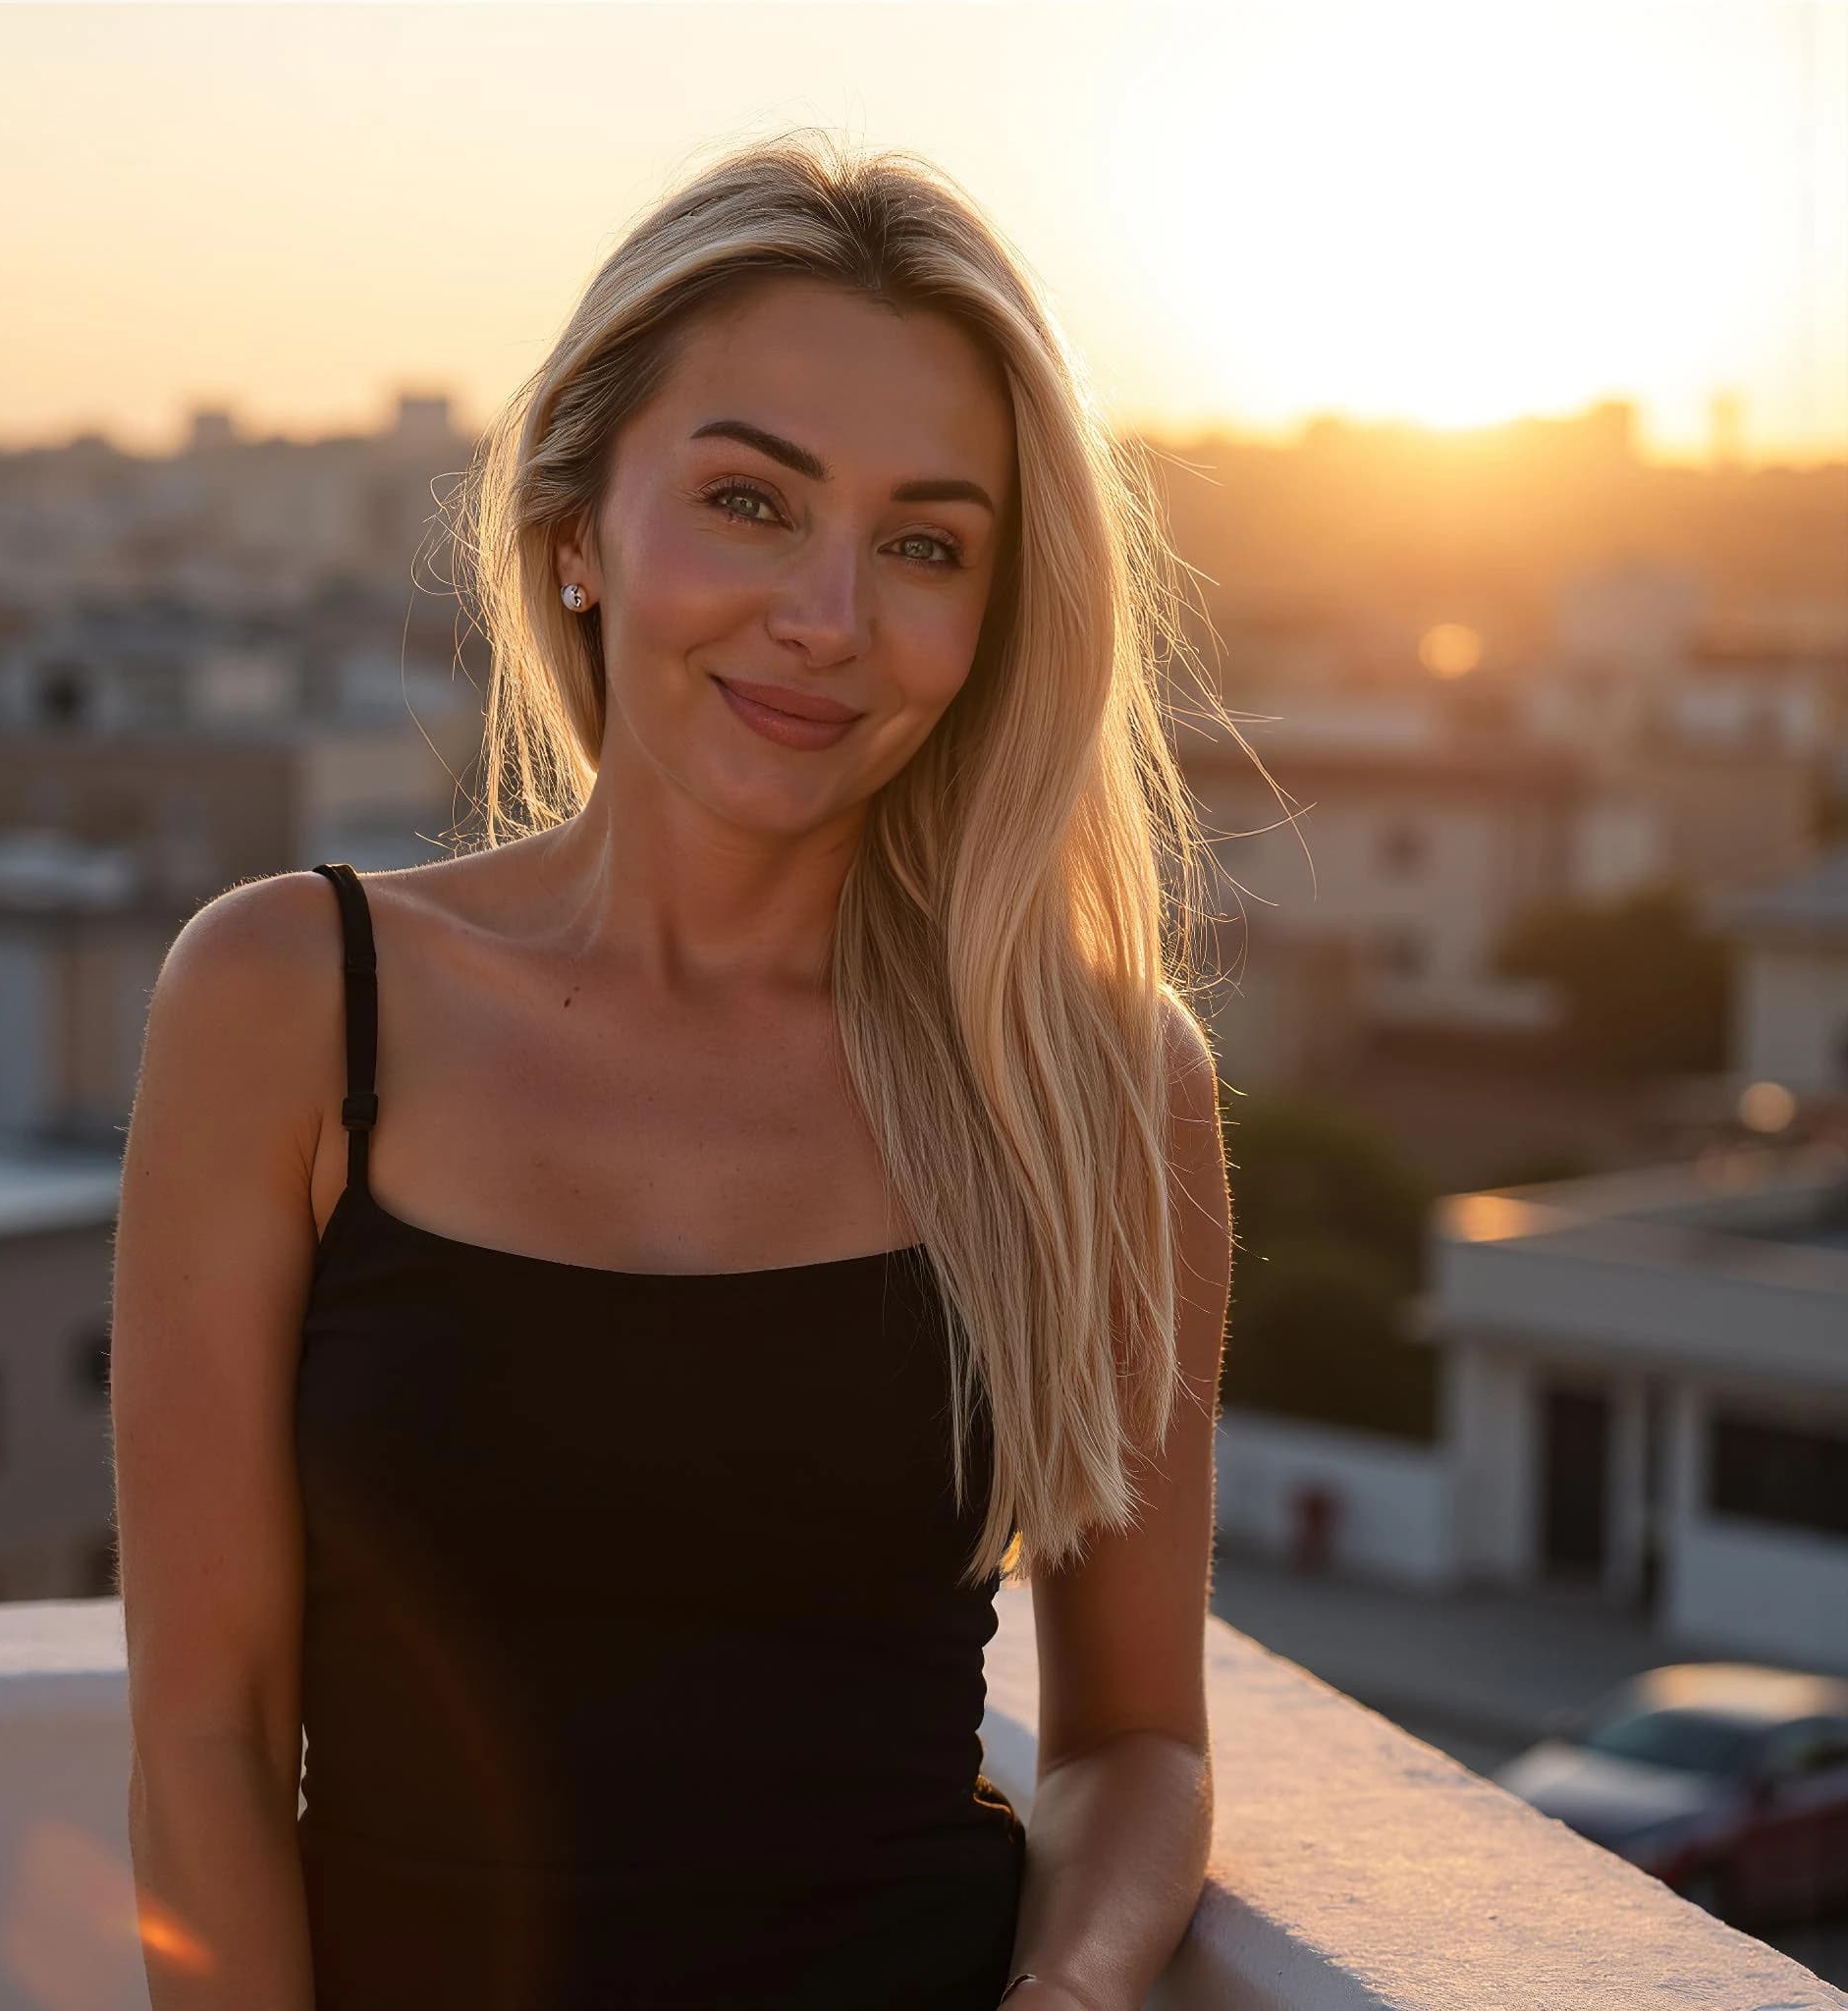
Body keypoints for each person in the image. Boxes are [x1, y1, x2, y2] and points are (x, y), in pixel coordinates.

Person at [112, 130, 1235, 2011]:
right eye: (747, 501)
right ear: (575, 532)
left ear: (992, 622)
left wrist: (1068, 1997)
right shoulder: (291, 1000)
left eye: (926, 545)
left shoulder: (1094, 1084)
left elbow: (1138, 1742)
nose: (828, 617)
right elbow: (205, 1737)